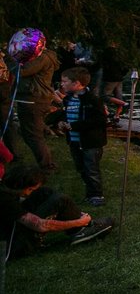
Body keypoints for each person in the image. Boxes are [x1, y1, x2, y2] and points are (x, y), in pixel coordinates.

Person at [1, 164, 114, 258]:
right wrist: (79, 221)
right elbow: (40, 225)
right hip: (13, 247)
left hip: (12, 229)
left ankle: (81, 227)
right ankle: (80, 229)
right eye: (30, 189)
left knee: (44, 192)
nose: (29, 192)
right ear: (19, 185)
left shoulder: (5, 188)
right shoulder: (5, 200)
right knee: (59, 200)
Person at [49, 66, 108, 206]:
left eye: (65, 81)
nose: (61, 84)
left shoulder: (92, 100)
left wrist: (75, 126)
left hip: (90, 142)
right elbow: (67, 114)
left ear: (76, 83)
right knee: (81, 167)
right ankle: (89, 191)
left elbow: (100, 120)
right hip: (75, 141)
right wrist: (61, 122)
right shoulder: (68, 100)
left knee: (91, 168)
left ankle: (96, 195)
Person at [7, 41, 59, 170]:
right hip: (33, 98)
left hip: (33, 99)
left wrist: (8, 58)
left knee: (33, 135)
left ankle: (47, 165)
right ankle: (46, 163)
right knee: (31, 132)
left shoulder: (42, 58)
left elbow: (22, 71)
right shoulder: (43, 57)